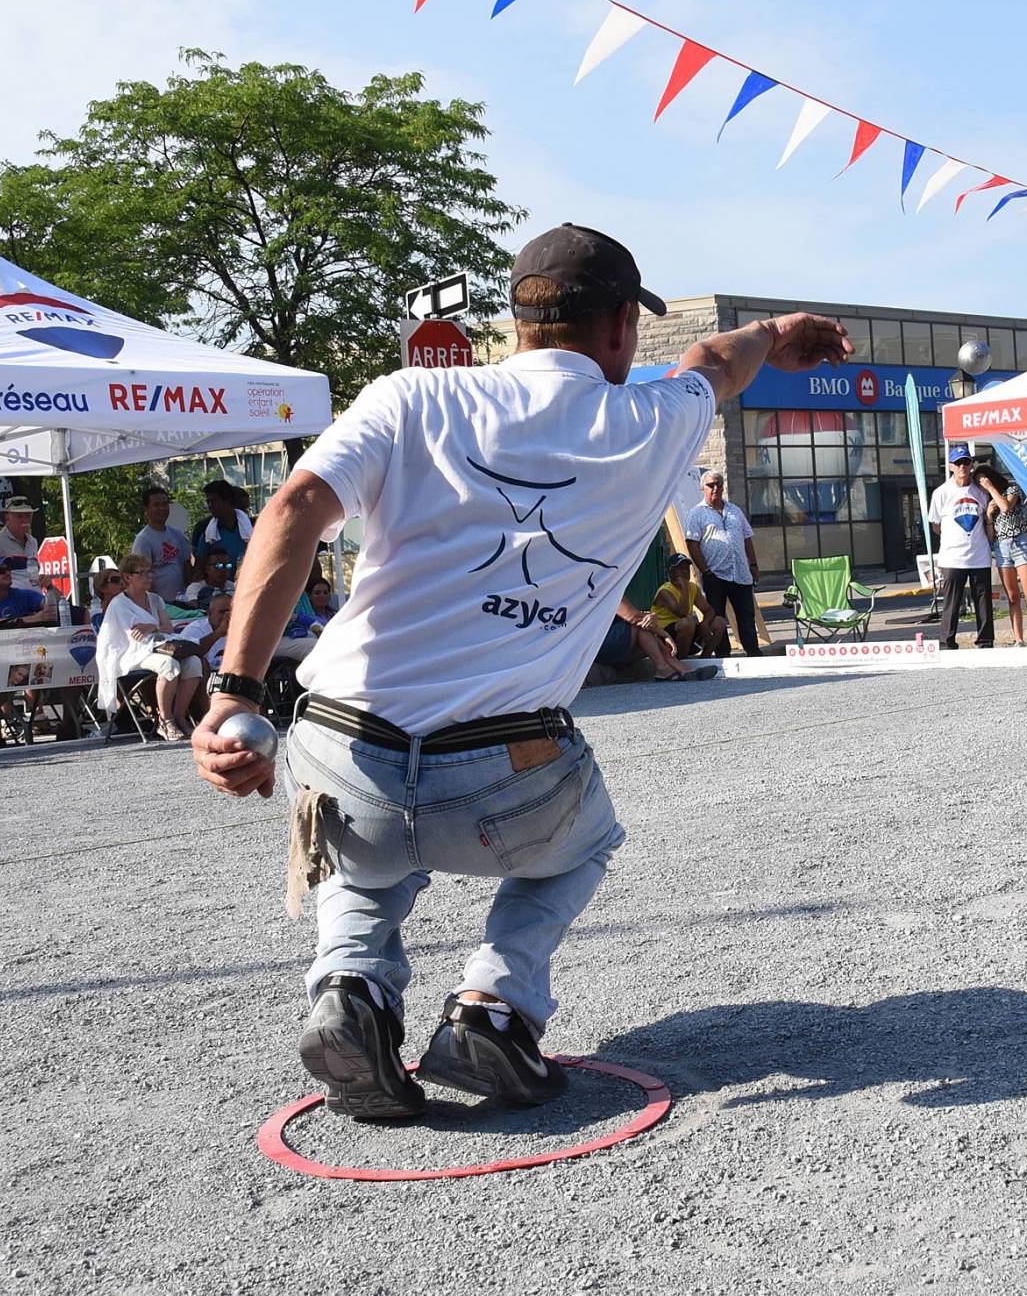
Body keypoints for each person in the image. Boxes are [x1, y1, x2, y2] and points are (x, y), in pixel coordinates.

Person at [190, 221, 850, 1120]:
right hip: (504, 778)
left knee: (362, 849)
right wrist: (774, 332)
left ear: (519, 321)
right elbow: (713, 361)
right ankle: (493, 1006)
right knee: (588, 837)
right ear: (621, 326)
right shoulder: (653, 421)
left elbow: (296, 506)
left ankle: (351, 988)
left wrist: (233, 692)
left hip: (343, 748)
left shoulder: (410, 397)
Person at [96, 552, 204, 741]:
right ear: (128, 577)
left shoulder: (155, 599)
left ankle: (180, 716)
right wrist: (153, 627)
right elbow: (135, 636)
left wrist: (152, 627)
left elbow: (167, 628)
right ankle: (165, 720)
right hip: (130, 653)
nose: (148, 576)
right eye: (142, 572)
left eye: (149, 572)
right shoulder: (119, 604)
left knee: (194, 662)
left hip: (157, 647)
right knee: (169, 665)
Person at [685, 468, 761, 658]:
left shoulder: (734, 510)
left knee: (746, 615)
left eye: (719, 484)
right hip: (715, 574)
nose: (715, 488)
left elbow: (747, 538)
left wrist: (753, 565)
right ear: (703, 488)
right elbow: (692, 543)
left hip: (740, 573)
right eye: (711, 485)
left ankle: (753, 652)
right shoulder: (696, 513)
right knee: (717, 616)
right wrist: (705, 570)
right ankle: (723, 654)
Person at [927, 444, 994, 649]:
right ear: (950, 466)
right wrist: (951, 537)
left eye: (965, 462)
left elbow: (986, 518)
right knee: (952, 602)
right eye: (958, 463)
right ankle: (947, 641)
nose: (962, 467)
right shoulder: (941, 493)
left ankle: (985, 641)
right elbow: (935, 524)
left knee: (983, 601)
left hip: (979, 555)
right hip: (952, 557)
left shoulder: (980, 492)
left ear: (971, 465)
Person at [979, 467, 1027, 647]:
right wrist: (988, 516)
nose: (982, 485)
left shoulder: (1011, 489)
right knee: (1012, 596)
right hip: (1001, 546)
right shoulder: (987, 501)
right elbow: (991, 537)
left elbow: (1006, 508)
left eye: (983, 480)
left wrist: (991, 488)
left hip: (1020, 542)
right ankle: (1018, 638)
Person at [592, 598, 709, 682]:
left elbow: (635, 615)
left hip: (608, 650)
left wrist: (650, 618)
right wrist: (665, 634)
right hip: (597, 649)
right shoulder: (604, 587)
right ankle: (670, 666)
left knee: (646, 630)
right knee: (640, 626)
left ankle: (666, 667)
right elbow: (634, 618)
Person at [651, 552, 725, 658]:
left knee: (719, 622)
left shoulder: (692, 587)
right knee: (687, 623)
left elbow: (709, 610)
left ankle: (705, 657)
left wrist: (705, 624)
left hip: (687, 634)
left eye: (686, 568)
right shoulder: (665, 591)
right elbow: (682, 613)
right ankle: (681, 660)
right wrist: (684, 587)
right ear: (671, 571)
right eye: (680, 569)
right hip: (665, 637)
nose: (685, 571)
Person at [132, 487, 192, 601]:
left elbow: (187, 564)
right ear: (146, 509)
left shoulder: (177, 534)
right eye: (156, 505)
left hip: (182, 601)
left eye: (165, 504)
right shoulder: (143, 540)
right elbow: (141, 576)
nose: (162, 508)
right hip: (159, 603)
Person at [193, 480, 253, 571]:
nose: (210, 506)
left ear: (227, 501)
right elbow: (199, 568)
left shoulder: (251, 528)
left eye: (213, 501)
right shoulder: (208, 534)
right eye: (208, 502)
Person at [176, 592, 234, 670]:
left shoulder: (241, 630)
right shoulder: (196, 629)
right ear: (210, 614)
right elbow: (188, 653)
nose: (227, 615)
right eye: (222, 612)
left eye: (231, 611)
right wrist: (219, 633)